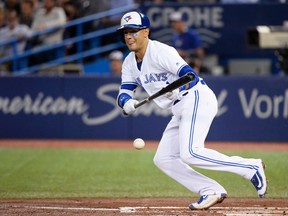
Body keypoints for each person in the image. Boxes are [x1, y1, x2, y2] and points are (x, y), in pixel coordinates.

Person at [116, 11, 267, 210]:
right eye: (126, 32)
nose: (128, 36)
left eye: (133, 31)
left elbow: (190, 76)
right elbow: (124, 92)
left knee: (190, 153)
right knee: (163, 159)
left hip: (195, 97)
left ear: (146, 32)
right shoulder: (129, 62)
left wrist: (176, 88)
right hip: (178, 108)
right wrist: (127, 102)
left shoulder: (161, 52)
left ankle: (250, 167)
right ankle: (210, 190)